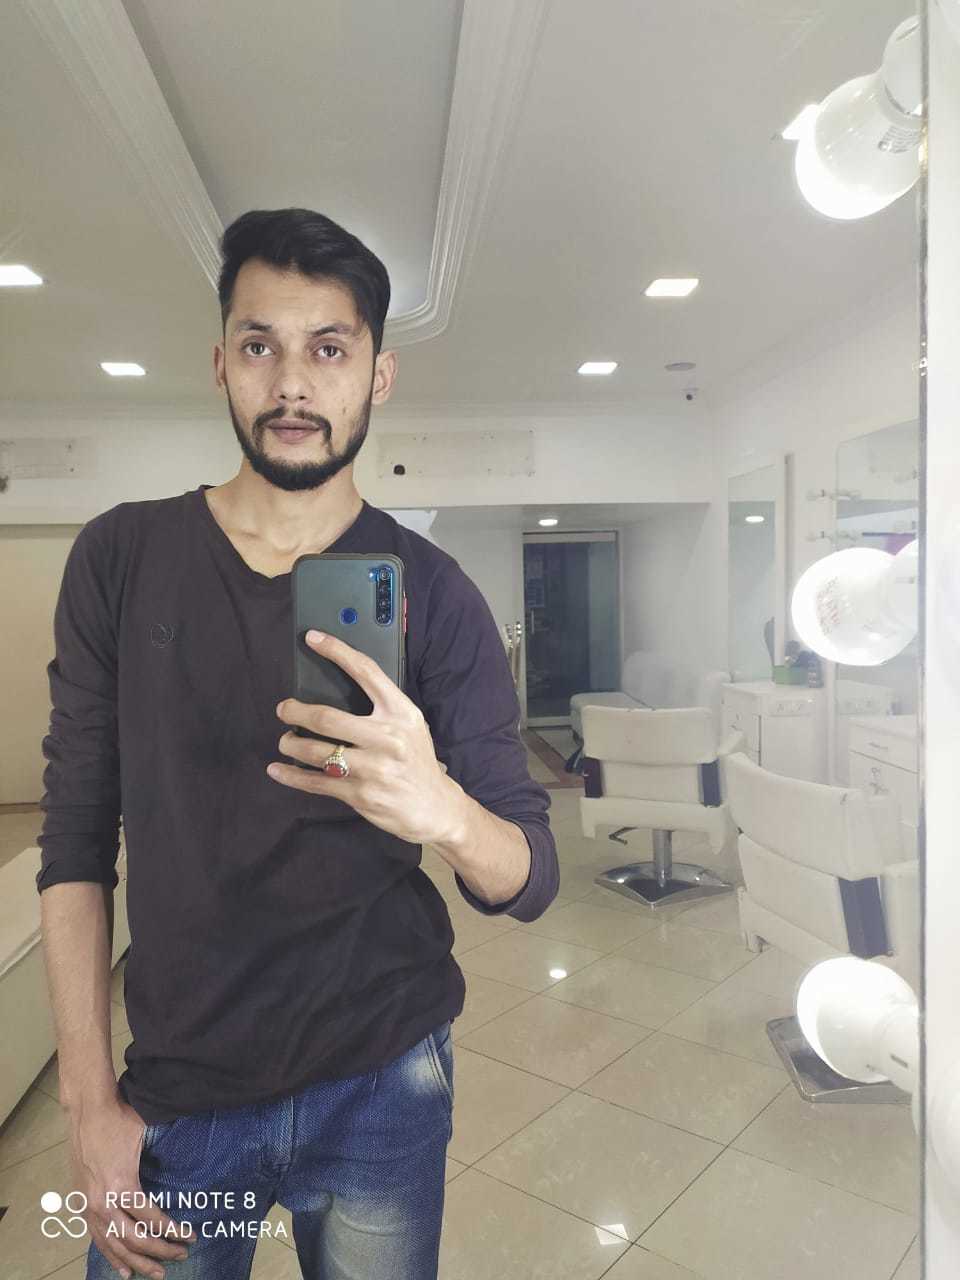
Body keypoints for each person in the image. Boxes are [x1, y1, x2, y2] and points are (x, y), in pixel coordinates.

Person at [36, 207, 560, 1280]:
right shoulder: (121, 557)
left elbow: (530, 873)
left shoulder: (435, 594)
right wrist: (87, 1101)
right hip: (180, 1088)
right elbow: (75, 837)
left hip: (384, 1077)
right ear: (220, 365)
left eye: (328, 348)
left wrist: (443, 809)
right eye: (259, 346)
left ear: (378, 375)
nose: (291, 384)